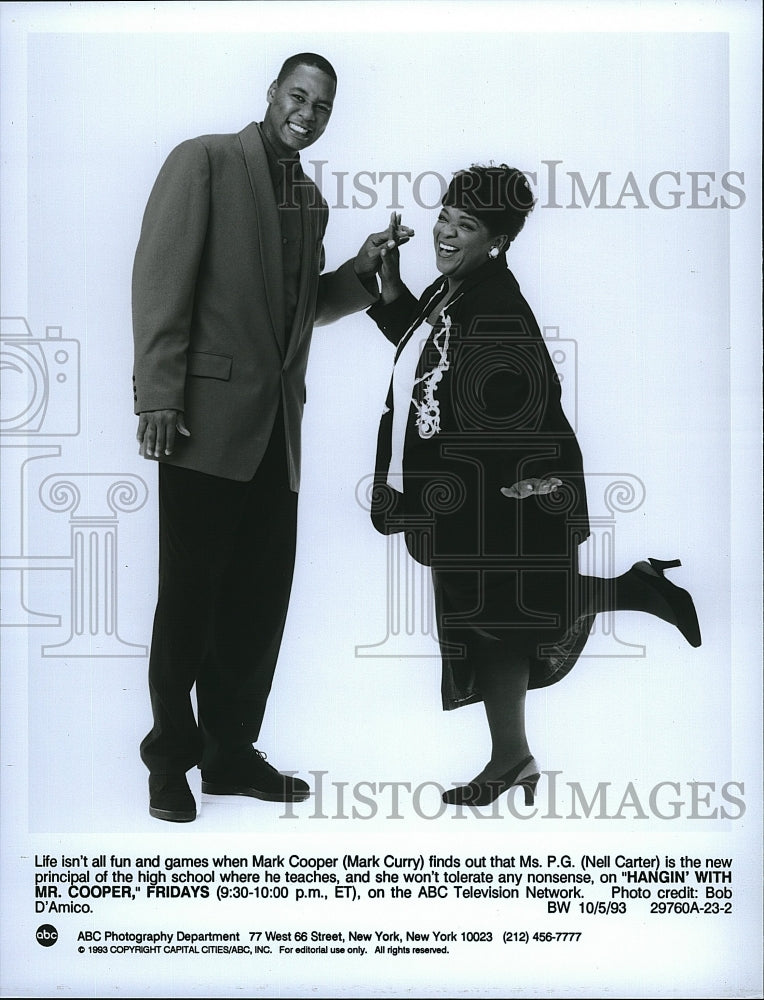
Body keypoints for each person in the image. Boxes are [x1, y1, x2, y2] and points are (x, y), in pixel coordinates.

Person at [131, 53, 412, 822]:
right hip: (202, 425)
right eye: (299, 96)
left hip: (278, 437)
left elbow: (302, 314)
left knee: (257, 607)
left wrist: (363, 269)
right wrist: (155, 394)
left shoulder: (310, 202)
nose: (309, 113)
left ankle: (228, 754)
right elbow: (160, 281)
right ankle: (169, 761)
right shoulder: (206, 162)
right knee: (187, 603)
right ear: (272, 94)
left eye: (323, 106)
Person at [366, 164, 701, 807]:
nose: (445, 232)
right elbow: (424, 352)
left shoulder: (495, 308)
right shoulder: (458, 288)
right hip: (477, 490)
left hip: (505, 488)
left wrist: (420, 506)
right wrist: (390, 285)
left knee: (503, 615)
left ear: (497, 240)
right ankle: (514, 757)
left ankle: (639, 592)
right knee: (498, 620)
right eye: (444, 216)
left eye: (466, 226)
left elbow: (513, 412)